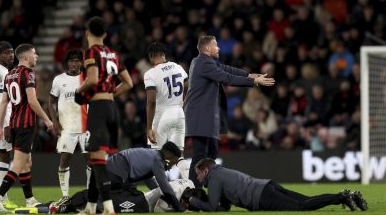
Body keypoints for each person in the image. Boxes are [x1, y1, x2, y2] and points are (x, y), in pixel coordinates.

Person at [184, 35, 275, 187]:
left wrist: (248, 75)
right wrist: (253, 81)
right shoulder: (203, 63)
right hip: (198, 116)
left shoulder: (203, 62)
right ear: (207, 48)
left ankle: (204, 184)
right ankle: (192, 192)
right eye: (215, 45)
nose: (218, 48)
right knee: (200, 155)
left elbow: (226, 69)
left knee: (212, 153)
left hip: (204, 117)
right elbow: (226, 78)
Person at [75, 16, 133, 215]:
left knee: (98, 160)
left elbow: (91, 80)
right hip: (112, 108)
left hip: (99, 109)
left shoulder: (90, 52)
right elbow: (129, 83)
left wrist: (79, 92)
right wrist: (109, 94)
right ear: (106, 34)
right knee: (96, 157)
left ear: (87, 33)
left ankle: (108, 207)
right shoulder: (113, 54)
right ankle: (91, 207)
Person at [183, 158, 368, 212]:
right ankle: (344, 195)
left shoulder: (214, 179)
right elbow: (224, 207)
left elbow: (212, 208)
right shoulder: (221, 172)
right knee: (307, 200)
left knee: (302, 206)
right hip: (267, 185)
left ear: (205, 171)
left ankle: (342, 197)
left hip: (262, 196)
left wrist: (192, 200)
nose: (198, 178)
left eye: (198, 174)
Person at [0, 44, 54, 211]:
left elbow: (4, 102)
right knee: (19, 164)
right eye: (34, 54)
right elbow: (32, 101)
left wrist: (0, 125)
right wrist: (47, 120)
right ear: (26, 57)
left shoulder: (10, 75)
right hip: (25, 124)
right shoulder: (28, 73)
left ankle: (29, 199)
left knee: (27, 162)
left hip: (13, 124)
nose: (36, 57)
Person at [48, 49, 90, 205]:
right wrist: (54, 121)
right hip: (67, 127)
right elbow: (51, 102)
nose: (74, 63)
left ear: (81, 62)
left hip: (86, 126)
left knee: (90, 161)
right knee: (65, 159)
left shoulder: (87, 78)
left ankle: (89, 193)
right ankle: (65, 195)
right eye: (71, 61)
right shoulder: (59, 80)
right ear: (67, 62)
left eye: (77, 60)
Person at [143, 42, 189, 179]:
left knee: (157, 157)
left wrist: (149, 127)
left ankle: (162, 192)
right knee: (179, 154)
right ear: (164, 54)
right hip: (179, 113)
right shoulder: (178, 67)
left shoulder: (150, 73)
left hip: (161, 115)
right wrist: (184, 98)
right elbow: (188, 86)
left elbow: (151, 102)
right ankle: (189, 185)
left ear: (151, 57)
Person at [106, 141, 186, 212]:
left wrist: (160, 196)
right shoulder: (157, 160)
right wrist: (179, 207)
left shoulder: (152, 155)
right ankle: (101, 205)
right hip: (115, 172)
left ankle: (101, 202)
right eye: (172, 164)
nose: (170, 168)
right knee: (140, 203)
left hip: (112, 170)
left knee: (135, 196)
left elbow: (150, 183)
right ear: (169, 157)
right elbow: (165, 187)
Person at [50, 178, 195, 213]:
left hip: (140, 201)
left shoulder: (178, 186)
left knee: (107, 202)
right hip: (138, 198)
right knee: (92, 194)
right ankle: (67, 205)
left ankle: (69, 206)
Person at [0, 41, 18, 210]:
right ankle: (1, 198)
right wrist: (5, 124)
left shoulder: (5, 71)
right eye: (6, 52)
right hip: (0, 121)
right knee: (4, 155)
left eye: (12, 52)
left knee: (1, 156)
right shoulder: (2, 72)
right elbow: (1, 102)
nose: (11, 55)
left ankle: (1, 197)